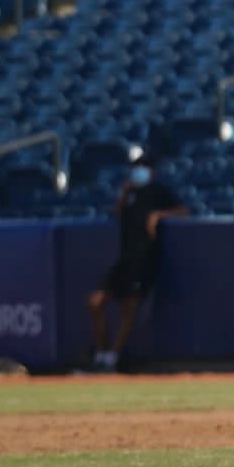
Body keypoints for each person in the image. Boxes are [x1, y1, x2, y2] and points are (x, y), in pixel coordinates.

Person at [86, 151, 187, 373]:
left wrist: (159, 215)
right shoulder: (130, 193)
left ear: (151, 171)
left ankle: (112, 357)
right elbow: (117, 213)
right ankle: (101, 354)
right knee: (96, 301)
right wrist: (124, 193)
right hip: (125, 258)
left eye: (142, 167)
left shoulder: (159, 191)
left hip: (145, 259)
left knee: (130, 306)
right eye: (136, 167)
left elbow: (184, 211)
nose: (138, 171)